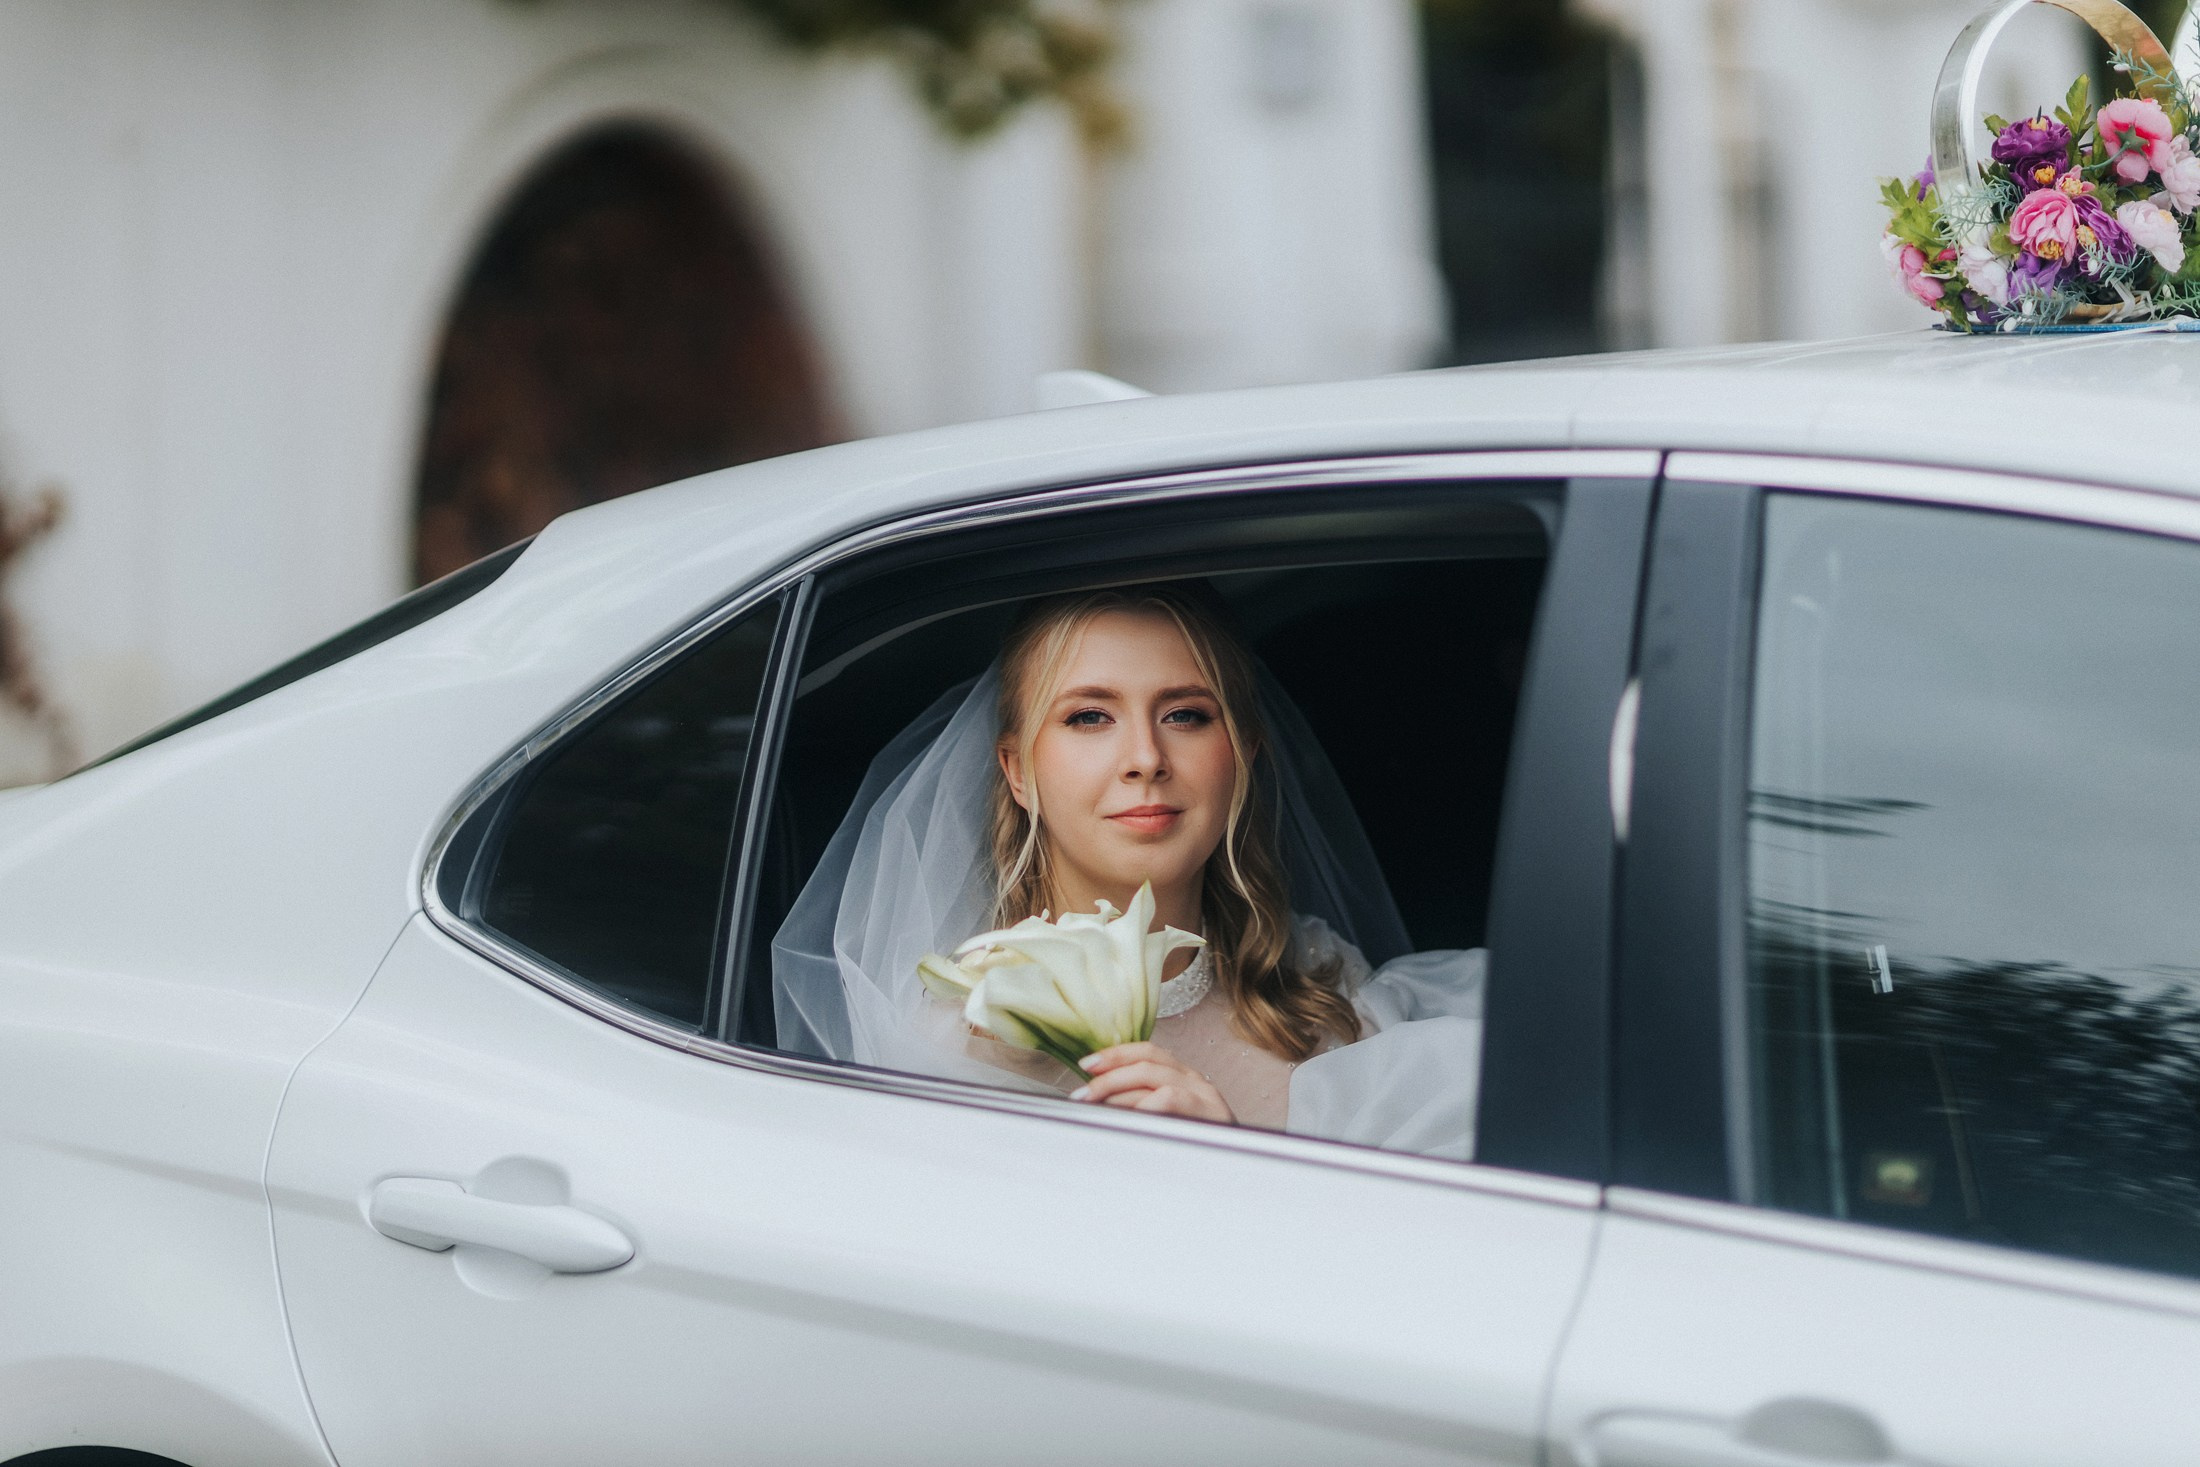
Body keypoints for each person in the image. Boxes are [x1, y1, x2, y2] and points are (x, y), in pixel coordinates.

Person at [772, 585, 1486, 1160]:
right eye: (1089, 717)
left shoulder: (1321, 984)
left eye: (1185, 714)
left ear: (1242, 754)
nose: (1145, 756)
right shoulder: (956, 1044)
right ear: (1018, 770)